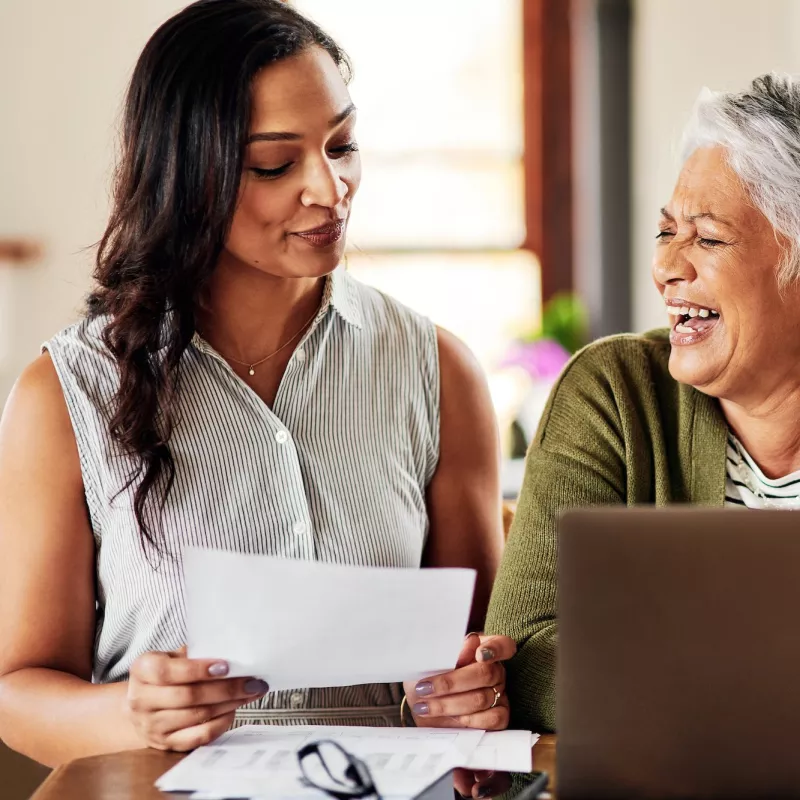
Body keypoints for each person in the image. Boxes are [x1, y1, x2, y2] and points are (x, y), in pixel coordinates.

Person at [0, 0, 514, 768]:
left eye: (342, 145)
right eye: (275, 163)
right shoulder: (65, 393)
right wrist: (139, 714)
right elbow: (17, 691)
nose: (330, 188)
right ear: (186, 172)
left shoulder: (437, 369)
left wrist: (478, 688)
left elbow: (482, 654)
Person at [485, 72, 800, 732]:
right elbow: (530, 658)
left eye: (707, 239)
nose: (666, 267)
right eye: (666, 233)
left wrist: (654, 669)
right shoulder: (616, 392)